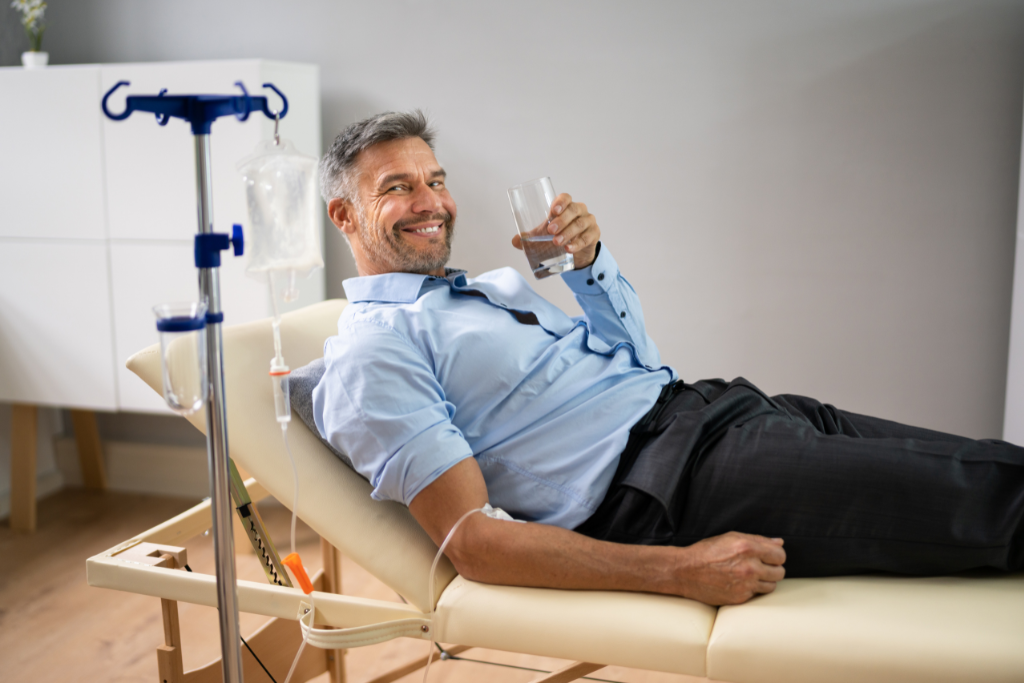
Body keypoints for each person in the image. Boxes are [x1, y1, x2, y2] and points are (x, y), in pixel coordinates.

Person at [311, 111, 1024, 606]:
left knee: (988, 464)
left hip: (716, 411)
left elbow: (640, 364)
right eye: (397, 187)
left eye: (434, 179)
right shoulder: (375, 351)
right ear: (344, 215)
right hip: (672, 485)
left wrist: (589, 266)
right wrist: (680, 571)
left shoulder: (481, 290)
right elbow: (472, 543)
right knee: (995, 501)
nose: (430, 201)